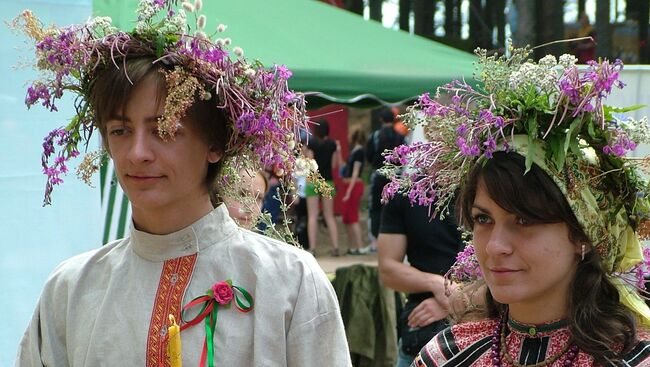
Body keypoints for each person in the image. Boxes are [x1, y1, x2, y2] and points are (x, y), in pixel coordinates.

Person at [13, 2, 351, 366]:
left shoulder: (289, 282)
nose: (137, 152)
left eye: (164, 130)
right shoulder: (71, 290)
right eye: (120, 130)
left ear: (215, 144)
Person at [380, 48, 650, 366]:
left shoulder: (631, 359)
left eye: (523, 219)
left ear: (584, 233)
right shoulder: (448, 356)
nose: (495, 246)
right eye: (483, 218)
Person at [377, 193, 463, 367]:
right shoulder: (403, 194)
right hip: (422, 330)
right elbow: (387, 270)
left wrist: (455, 302)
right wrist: (436, 284)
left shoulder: (488, 187)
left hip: (480, 326)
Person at [366, 107, 405, 250]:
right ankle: (394, 243)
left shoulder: (375, 136)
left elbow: (369, 155)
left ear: (381, 119)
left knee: (375, 208)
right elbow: (404, 157)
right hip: (396, 176)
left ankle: (375, 242)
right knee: (394, 208)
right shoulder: (400, 137)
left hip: (379, 174)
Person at [306, 119, 342, 256]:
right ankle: (335, 247)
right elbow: (334, 165)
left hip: (314, 181)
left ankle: (313, 249)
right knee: (329, 216)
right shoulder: (333, 144)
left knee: (312, 216)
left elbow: (310, 164)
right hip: (328, 181)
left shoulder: (312, 143)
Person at [341, 126, 368, 255]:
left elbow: (355, 173)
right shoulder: (354, 151)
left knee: (353, 216)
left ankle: (359, 245)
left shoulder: (359, 152)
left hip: (354, 185)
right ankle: (352, 246)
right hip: (349, 184)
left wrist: (348, 191)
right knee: (347, 217)